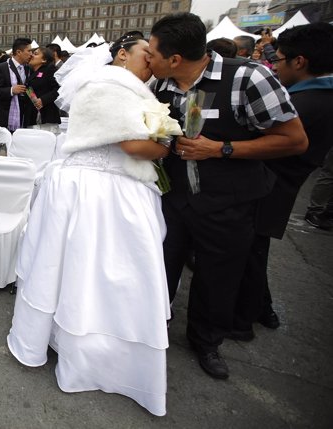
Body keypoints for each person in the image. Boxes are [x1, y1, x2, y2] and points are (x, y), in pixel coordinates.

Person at [8, 43, 178, 416]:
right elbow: (134, 145)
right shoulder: (108, 83)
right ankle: (83, 350)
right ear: (120, 56)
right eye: (143, 52)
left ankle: (95, 348)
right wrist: (168, 142)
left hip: (105, 187)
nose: (150, 58)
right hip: (95, 191)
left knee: (89, 274)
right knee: (88, 272)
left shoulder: (126, 86)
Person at [146, 13, 308, 380]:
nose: (148, 59)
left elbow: (294, 140)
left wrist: (221, 149)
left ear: (175, 59)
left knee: (218, 276)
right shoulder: (162, 87)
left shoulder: (249, 78)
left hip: (228, 202)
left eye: (152, 52)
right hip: (174, 198)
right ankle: (153, 331)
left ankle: (206, 341)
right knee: (160, 267)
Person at [236, 22, 333, 331]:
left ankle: (243, 320)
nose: (274, 67)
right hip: (283, 185)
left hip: (271, 185)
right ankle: (263, 308)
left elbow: (277, 143)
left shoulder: (303, 105)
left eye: (277, 60)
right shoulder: (317, 96)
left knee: (249, 254)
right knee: (255, 251)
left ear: (299, 61)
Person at [0, 37, 32, 132]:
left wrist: (36, 100)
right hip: (6, 115)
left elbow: (28, 87)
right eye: (29, 51)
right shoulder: (2, 68)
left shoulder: (28, 68)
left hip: (24, 114)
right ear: (18, 52)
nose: (31, 54)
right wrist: (11, 90)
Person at [23, 47, 60, 127]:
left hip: (47, 115)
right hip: (32, 114)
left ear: (44, 60)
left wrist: (43, 100)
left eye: (35, 54)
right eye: (32, 53)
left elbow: (59, 89)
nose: (32, 55)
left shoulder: (50, 70)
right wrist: (34, 100)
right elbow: (29, 88)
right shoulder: (30, 71)